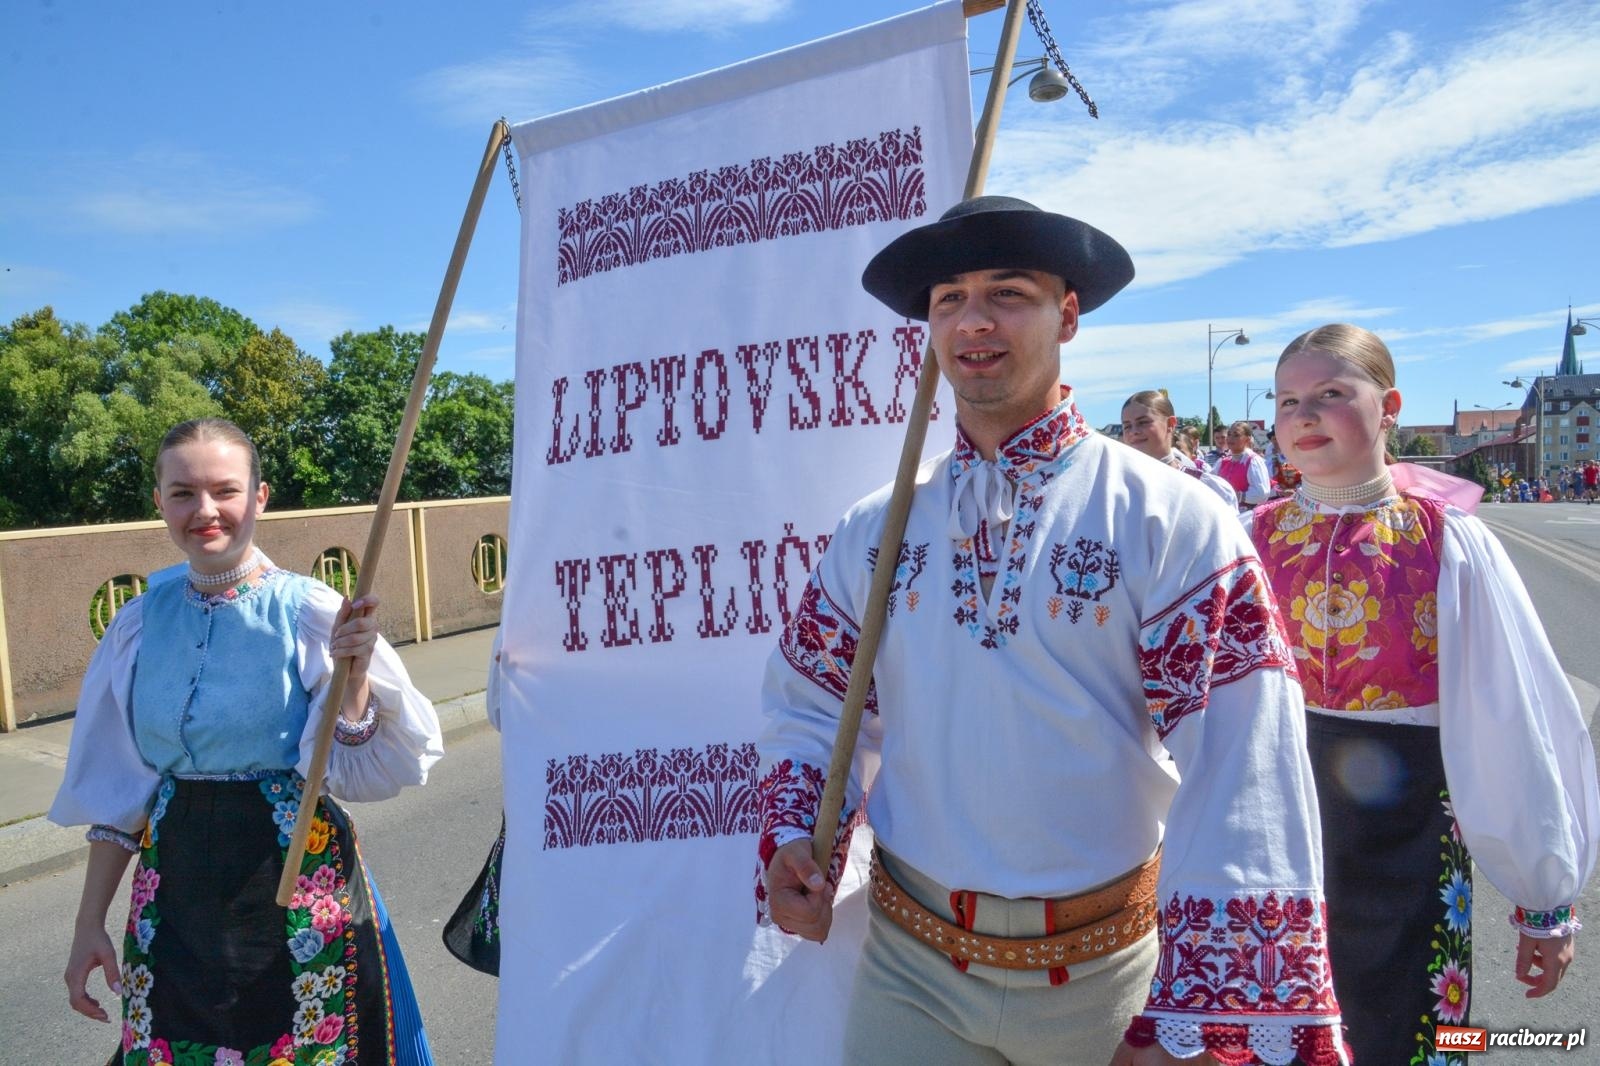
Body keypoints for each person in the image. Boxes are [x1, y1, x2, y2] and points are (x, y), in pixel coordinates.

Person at [754, 196, 1347, 1066]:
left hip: (1106, 976)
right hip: (912, 969)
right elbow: (809, 706)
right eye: (949, 298)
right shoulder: (875, 532)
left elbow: (1242, 759)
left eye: (1009, 292)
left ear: (1067, 313)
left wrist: (1198, 1015)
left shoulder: (1167, 520)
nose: (974, 321)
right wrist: (796, 843)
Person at [1249, 324, 1599, 1065]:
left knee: (1409, 1029)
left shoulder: (1446, 541)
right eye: (1288, 401)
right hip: (1278, 828)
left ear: (1391, 407)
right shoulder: (1248, 539)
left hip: (1410, 838)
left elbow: (1513, 719)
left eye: (1332, 395)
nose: (1304, 415)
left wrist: (1544, 900)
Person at [51, 418, 444, 1065]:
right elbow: (119, 791)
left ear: (258, 498)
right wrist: (87, 922)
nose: (204, 510)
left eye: (224, 490)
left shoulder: (312, 611)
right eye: (183, 492)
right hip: (174, 896)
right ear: (159, 501)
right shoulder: (139, 625)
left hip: (295, 889)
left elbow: (357, 766)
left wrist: (356, 678)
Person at [1118, 390, 1237, 510]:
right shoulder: (1116, 486)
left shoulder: (1204, 487)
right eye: (1127, 426)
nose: (1134, 431)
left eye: (1143, 422)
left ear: (1170, 424)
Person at [1215, 420, 1272, 510]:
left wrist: (1237, 495)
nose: (1230, 438)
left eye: (1236, 435)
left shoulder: (1253, 461)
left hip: (1245, 516)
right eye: (1229, 434)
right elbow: (1211, 481)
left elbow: (1262, 493)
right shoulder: (1223, 462)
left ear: (1247, 439)